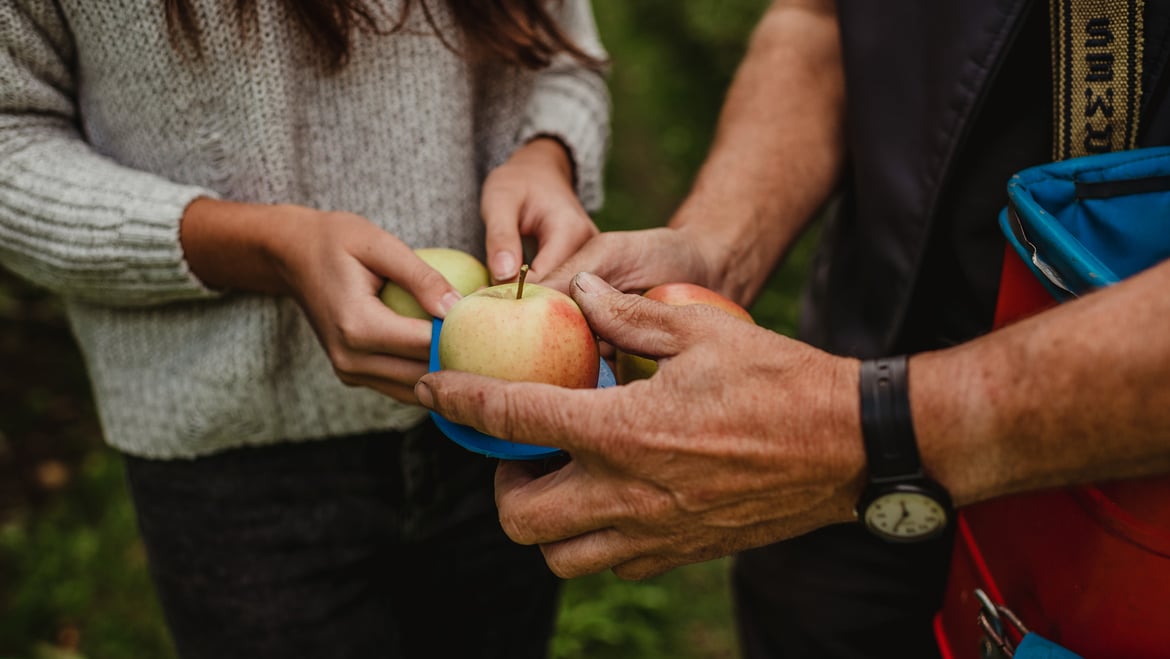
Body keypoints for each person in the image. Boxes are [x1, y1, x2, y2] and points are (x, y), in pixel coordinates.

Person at [414, 0, 1170, 657]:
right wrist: (716, 248)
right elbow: (821, 21)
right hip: (862, 369)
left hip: (1125, 503)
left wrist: (865, 432)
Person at [0, 1, 608, 657]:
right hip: (230, 454)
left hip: (501, 432)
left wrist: (547, 153)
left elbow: (568, 57)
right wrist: (265, 248)